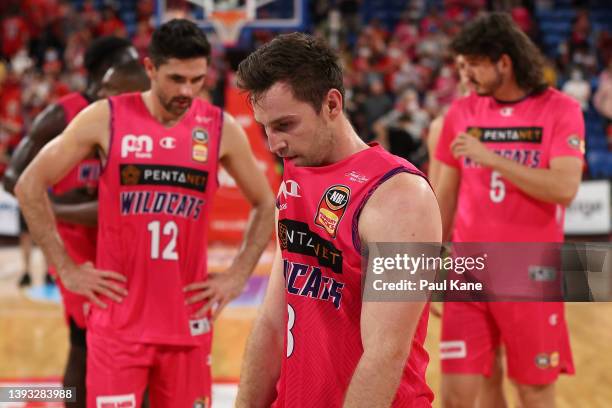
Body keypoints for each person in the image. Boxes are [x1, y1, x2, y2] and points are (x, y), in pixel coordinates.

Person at [15, 19, 275, 407]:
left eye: (197, 79)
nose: (187, 90)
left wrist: (237, 275)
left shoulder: (218, 127)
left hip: (188, 324)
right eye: (175, 79)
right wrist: (66, 268)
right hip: (119, 326)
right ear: (150, 69)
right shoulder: (106, 117)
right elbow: (27, 185)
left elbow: (266, 202)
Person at [234, 33, 441, 407]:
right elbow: (271, 322)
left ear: (331, 103)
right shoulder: (297, 169)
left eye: (284, 125)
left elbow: (385, 353)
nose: (273, 144)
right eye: (265, 127)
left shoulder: (401, 197)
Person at [434, 13, 583, 408]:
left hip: (529, 274)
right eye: (462, 66)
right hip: (467, 271)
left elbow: (564, 189)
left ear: (504, 62)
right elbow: (444, 198)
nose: (466, 76)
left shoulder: (561, 109)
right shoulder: (460, 113)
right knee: (456, 396)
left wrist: (492, 158)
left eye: (474, 65)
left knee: (533, 393)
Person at [3, 36, 140, 408]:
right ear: (103, 74)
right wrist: (55, 206)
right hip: (77, 243)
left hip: (126, 242)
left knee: (133, 343)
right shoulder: (64, 114)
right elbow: (13, 176)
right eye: (128, 66)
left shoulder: (137, 115)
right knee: (83, 340)